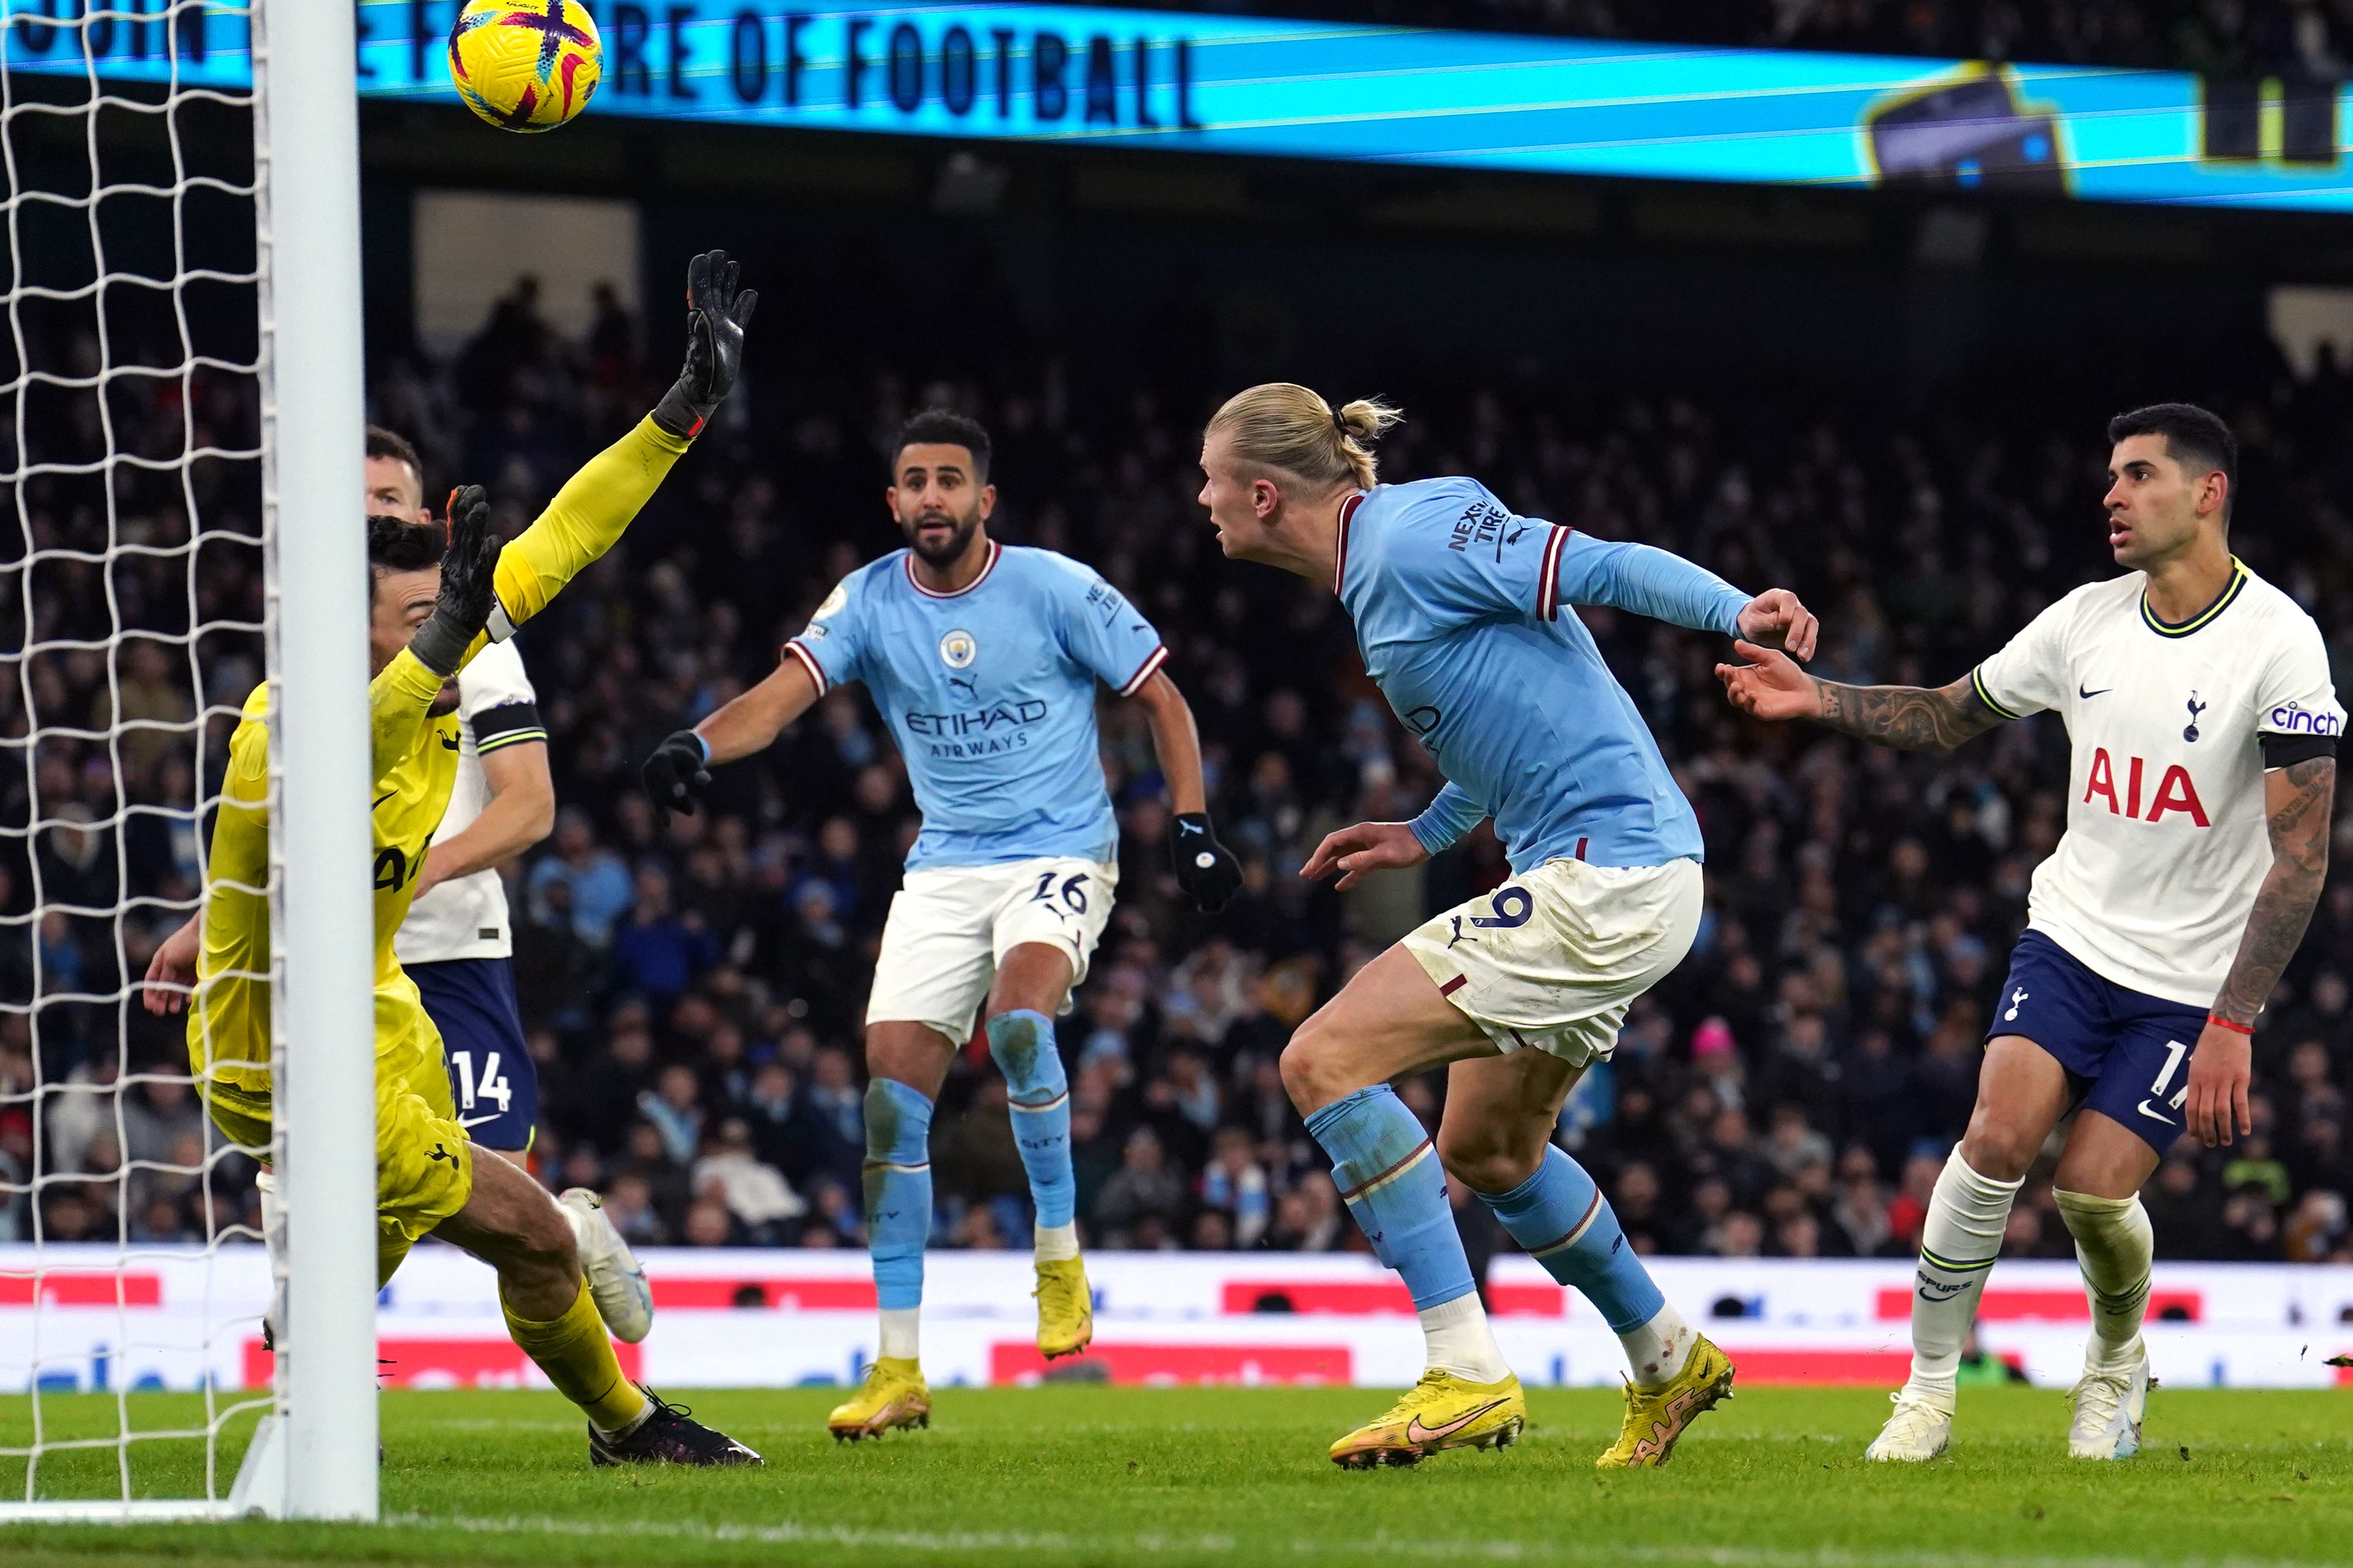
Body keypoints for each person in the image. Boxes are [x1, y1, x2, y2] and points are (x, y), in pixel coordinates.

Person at [151, 253, 762, 1467]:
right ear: (350, 621)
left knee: (424, 1243)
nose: (447, 628)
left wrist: (680, 414)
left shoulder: (440, 651)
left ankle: (330, 1363)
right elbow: (360, 738)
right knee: (536, 1233)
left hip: (382, 1012)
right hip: (275, 1054)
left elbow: (577, 527)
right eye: (418, 618)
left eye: (450, 610)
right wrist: (439, 644)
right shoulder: (288, 724)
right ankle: (624, 1428)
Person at [1195, 383, 1818, 1470]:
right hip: (1605, 872)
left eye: (1207, 479)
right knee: (1487, 1148)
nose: (1197, 500)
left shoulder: (1413, 531)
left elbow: (1602, 563)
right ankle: (1668, 1357)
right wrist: (1425, 832)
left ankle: (1464, 1370)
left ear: (1261, 492)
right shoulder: (1370, 578)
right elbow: (1512, 725)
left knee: (1322, 1058)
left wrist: (1737, 610)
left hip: (1608, 874)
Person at [1718, 403, 2340, 1463]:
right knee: (1995, 1138)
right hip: (2070, 937)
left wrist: (2233, 1021)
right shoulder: (2084, 620)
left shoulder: (2280, 643)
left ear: (2206, 493)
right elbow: (1953, 712)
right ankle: (1923, 1392)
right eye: (2109, 476)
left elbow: (2302, 854)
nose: (2111, 494)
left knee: (2092, 1194)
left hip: (2188, 981)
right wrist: (1818, 697)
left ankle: (2113, 1364)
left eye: (2138, 474)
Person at [642, 409, 1240, 1441]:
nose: (931, 497)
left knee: (1017, 1023)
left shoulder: (1052, 586)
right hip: (945, 866)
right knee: (889, 1100)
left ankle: (1057, 1254)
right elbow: (783, 696)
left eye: (949, 480)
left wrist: (1189, 827)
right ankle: (897, 1367)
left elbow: (1164, 701)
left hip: (1058, 853)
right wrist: (697, 743)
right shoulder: (868, 599)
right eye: (913, 480)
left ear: (983, 499)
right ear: (892, 500)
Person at [144, 428, 656, 1346]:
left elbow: (530, 806)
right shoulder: (306, 671)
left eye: (386, 501)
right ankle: (334, 1381)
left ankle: (600, 1379)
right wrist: (204, 924)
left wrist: (411, 876)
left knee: (482, 1185)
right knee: (342, 1188)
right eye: (353, 505)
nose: (369, 517)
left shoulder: (475, 642)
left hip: (446, 948)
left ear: (424, 516)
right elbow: (272, 834)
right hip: (322, 970)